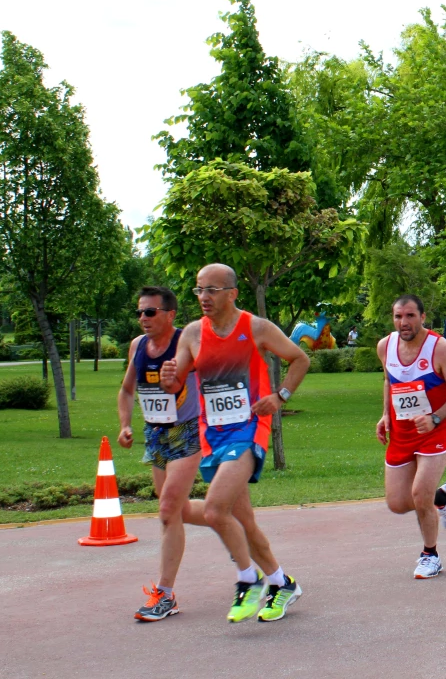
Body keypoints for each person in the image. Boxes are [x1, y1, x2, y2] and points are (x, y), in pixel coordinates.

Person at [159, 264, 310, 623]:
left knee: (214, 510)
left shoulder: (256, 327)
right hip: (212, 434)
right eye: (198, 290)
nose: (203, 298)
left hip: (249, 427)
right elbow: (176, 381)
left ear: (232, 293)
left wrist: (281, 395)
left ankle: (247, 579)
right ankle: (281, 582)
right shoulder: (192, 334)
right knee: (243, 522)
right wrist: (169, 378)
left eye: (211, 290)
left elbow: (299, 358)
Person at [117, 286, 206, 622]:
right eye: (140, 312)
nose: (143, 318)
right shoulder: (138, 346)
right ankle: (222, 518)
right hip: (154, 433)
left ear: (170, 314)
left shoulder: (188, 343)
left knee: (167, 509)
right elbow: (127, 390)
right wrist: (125, 425)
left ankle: (165, 595)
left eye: (150, 312)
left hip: (187, 432)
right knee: (177, 509)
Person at [378, 294, 446, 577]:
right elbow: (388, 381)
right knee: (396, 503)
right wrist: (385, 415)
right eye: (398, 316)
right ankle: (442, 498)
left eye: (409, 316)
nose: (403, 322)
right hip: (403, 432)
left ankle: (430, 555)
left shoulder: (439, 349)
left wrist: (435, 418)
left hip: (436, 430)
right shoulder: (385, 346)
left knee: (419, 494)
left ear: (422, 317)